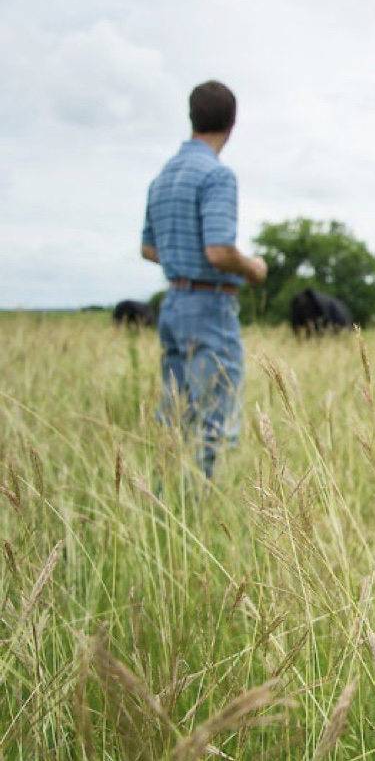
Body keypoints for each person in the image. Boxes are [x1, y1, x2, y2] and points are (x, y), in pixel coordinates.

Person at [140, 80, 268, 478]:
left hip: (173, 304)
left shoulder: (163, 176)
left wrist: (181, 257)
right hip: (210, 305)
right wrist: (253, 267)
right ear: (232, 124)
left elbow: (148, 248)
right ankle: (204, 504)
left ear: (192, 118)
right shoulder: (217, 177)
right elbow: (218, 251)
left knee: (177, 411)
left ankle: (167, 497)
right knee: (217, 414)